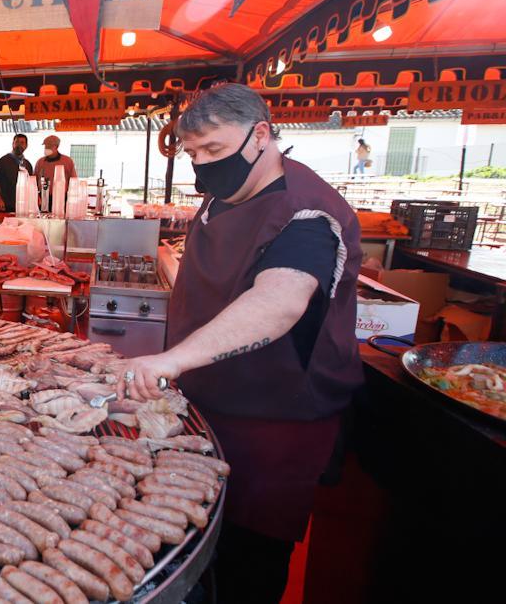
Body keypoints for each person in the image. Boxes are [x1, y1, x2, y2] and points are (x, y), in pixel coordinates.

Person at [119, 83, 362, 604]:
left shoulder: (308, 212)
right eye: (193, 153)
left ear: (261, 135)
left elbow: (280, 301)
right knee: (197, 552)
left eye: (215, 150)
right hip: (206, 409)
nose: (203, 164)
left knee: (247, 567)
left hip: (274, 424)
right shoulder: (227, 194)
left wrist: (172, 359)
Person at [0, 134, 33, 213]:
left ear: (26, 146)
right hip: (6, 206)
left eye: (22, 143)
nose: (19, 145)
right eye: (17, 142)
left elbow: (31, 185)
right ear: (13, 144)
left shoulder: (28, 164)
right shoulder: (3, 161)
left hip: (24, 207)